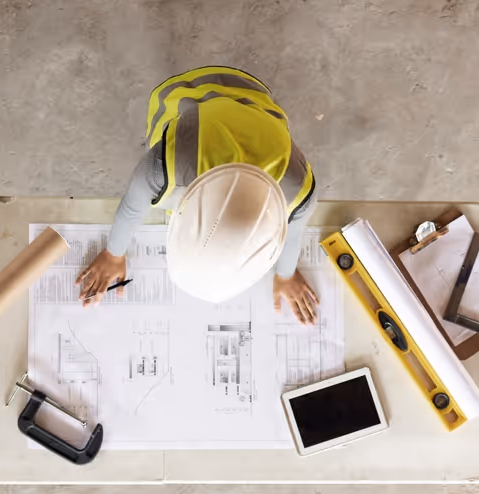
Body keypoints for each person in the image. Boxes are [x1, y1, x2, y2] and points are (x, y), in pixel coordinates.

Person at [76, 66, 320, 324]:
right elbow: (133, 204)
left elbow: (292, 234)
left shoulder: (298, 192)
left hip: (256, 104)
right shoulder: (169, 161)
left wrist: (286, 275)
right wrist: (113, 253)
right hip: (190, 97)